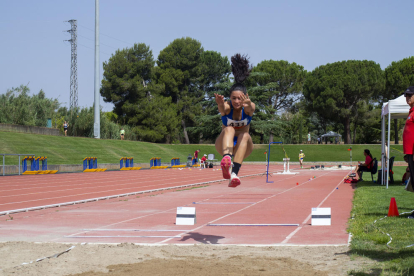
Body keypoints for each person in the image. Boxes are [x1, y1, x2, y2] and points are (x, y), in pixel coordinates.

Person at [214, 53, 255, 188]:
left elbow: (250, 108)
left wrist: (247, 104)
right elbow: (222, 109)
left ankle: (234, 174)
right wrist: (220, 103)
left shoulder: (248, 107)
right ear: (230, 98)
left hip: (243, 147)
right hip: (225, 146)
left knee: (245, 134)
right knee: (229, 128)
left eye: (240, 98)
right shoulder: (227, 107)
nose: (237, 101)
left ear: (244, 97)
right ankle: (227, 160)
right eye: (234, 98)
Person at [402, 86, 414, 219]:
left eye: (410, 95)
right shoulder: (411, 111)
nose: (407, 97)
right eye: (406, 95)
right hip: (410, 153)